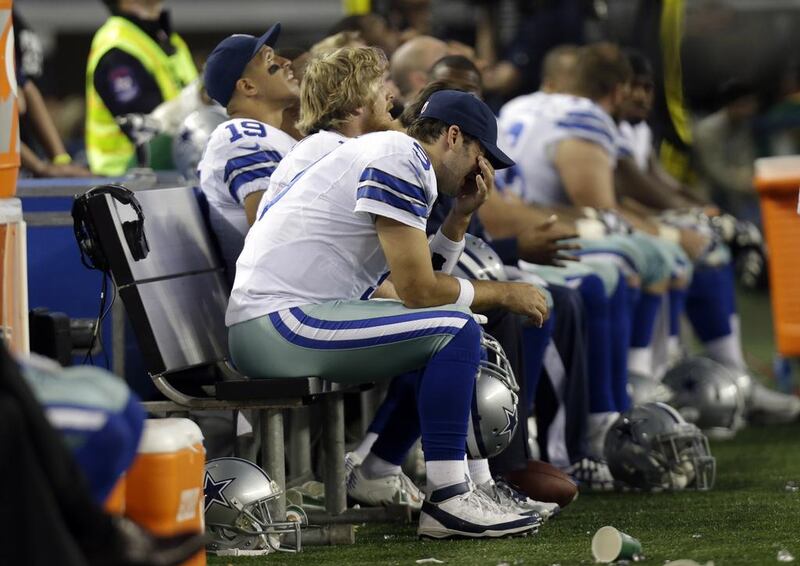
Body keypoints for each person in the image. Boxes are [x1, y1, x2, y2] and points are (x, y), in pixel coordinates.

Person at [228, 89, 548, 539]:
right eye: (481, 154)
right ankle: (450, 497)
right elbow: (420, 292)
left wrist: (458, 219)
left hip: (284, 316)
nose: (484, 170)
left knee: (454, 327)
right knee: (455, 330)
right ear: (454, 137)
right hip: (279, 322)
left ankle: (396, 471)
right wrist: (503, 293)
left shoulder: (393, 153)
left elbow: (423, 285)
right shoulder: (401, 158)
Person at [197, 24, 299, 281]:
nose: (286, 62)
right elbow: (276, 241)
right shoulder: (243, 136)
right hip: (284, 301)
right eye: (269, 59)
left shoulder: (274, 136)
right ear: (248, 87)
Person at [86, 0, 197, 176]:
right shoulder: (117, 48)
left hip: (170, 170)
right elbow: (149, 127)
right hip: (126, 179)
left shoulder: (168, 39)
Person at [693, 80, 761, 225]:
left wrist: (750, 178)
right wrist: (745, 183)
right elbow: (714, 171)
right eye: (746, 104)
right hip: (711, 194)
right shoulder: (706, 131)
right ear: (732, 106)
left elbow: (746, 158)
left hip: (739, 194)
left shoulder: (742, 125)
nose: (751, 109)